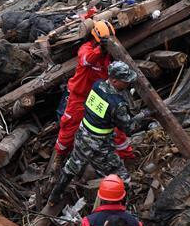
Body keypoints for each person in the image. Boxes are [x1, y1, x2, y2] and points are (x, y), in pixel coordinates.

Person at [49, 61, 148, 203]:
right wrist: (143, 114)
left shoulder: (97, 85)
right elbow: (129, 128)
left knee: (73, 163)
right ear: (114, 80)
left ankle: (55, 194)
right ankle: (122, 204)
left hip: (83, 133)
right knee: (121, 175)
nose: (128, 84)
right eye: (124, 81)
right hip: (100, 143)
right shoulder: (117, 104)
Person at [54, 21, 132, 169]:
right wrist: (99, 50)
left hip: (99, 97)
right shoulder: (87, 49)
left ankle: (127, 157)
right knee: (69, 126)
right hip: (80, 96)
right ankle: (60, 155)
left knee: (115, 128)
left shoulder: (110, 57)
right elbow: (85, 59)